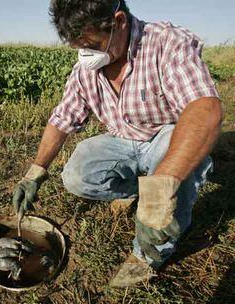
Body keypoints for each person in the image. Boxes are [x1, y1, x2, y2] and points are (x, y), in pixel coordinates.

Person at [12, 0, 223, 287]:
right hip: (124, 140)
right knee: (76, 173)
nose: (86, 55)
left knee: (169, 161)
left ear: (119, 21)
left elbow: (205, 110)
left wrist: (163, 182)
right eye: (79, 47)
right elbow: (62, 118)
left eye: (92, 44)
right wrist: (35, 170)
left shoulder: (166, 43)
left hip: (166, 138)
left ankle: (149, 255)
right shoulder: (87, 69)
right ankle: (141, 188)